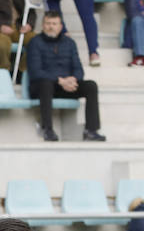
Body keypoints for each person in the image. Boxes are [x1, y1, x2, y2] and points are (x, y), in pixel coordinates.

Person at [23, 10, 105, 141]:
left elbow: (79, 70)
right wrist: (59, 81)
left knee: (91, 86)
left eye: (54, 24)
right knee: (45, 84)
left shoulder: (69, 43)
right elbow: (35, 71)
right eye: (48, 23)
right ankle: (47, 129)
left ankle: (91, 130)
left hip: (65, 86)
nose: (51, 27)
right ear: (42, 26)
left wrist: (73, 79)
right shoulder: (34, 43)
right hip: (42, 87)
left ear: (61, 26)